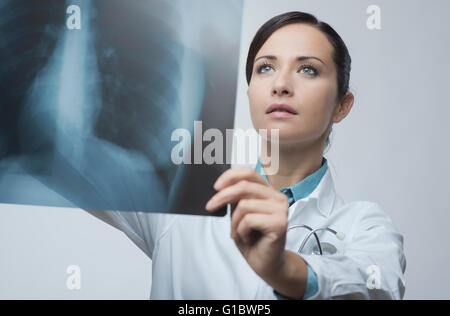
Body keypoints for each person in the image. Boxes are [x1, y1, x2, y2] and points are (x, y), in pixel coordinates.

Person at [86, 11, 406, 300]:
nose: (280, 84)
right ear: (250, 91)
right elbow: (56, 151)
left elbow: (376, 288)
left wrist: (284, 270)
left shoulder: (364, 225)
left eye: (308, 70)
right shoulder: (182, 202)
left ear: (342, 105)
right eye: (265, 68)